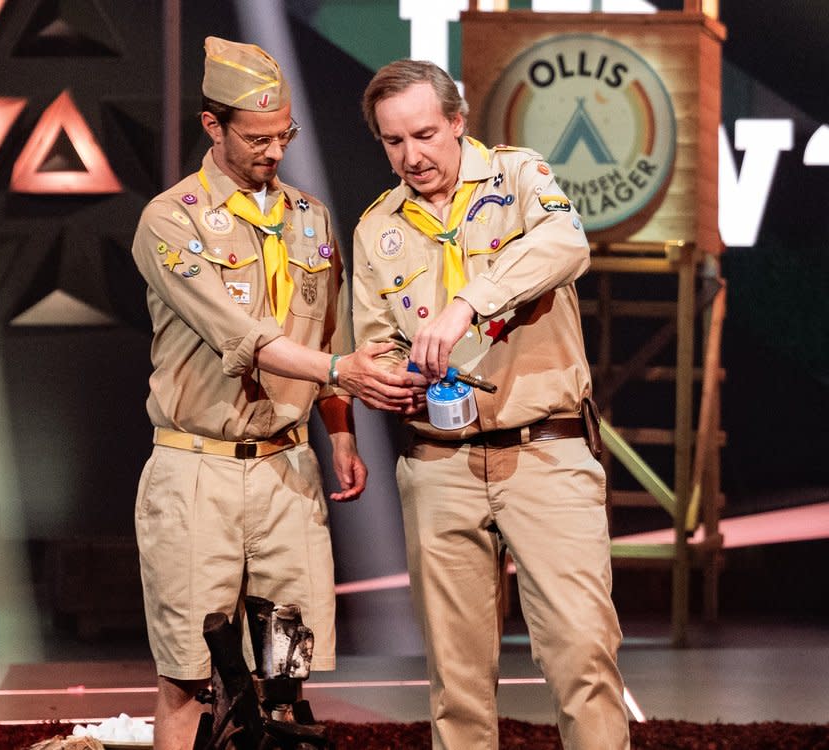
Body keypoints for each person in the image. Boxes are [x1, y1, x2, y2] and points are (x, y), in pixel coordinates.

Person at [129, 37, 416, 750]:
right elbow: (246, 336)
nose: (273, 150)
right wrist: (340, 372)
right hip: (201, 467)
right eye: (257, 137)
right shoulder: (174, 219)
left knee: (288, 666)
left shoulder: (310, 218)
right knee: (189, 675)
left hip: (287, 467)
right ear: (212, 126)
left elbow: (330, 329)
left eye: (284, 134)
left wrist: (340, 431)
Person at [350, 59, 631, 750]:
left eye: (423, 134)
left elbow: (567, 244)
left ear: (457, 120)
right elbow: (374, 342)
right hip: (439, 466)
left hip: (545, 452)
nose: (411, 156)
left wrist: (467, 304)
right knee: (457, 685)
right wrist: (385, 377)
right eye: (393, 142)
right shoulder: (376, 228)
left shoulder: (519, 177)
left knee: (582, 661)